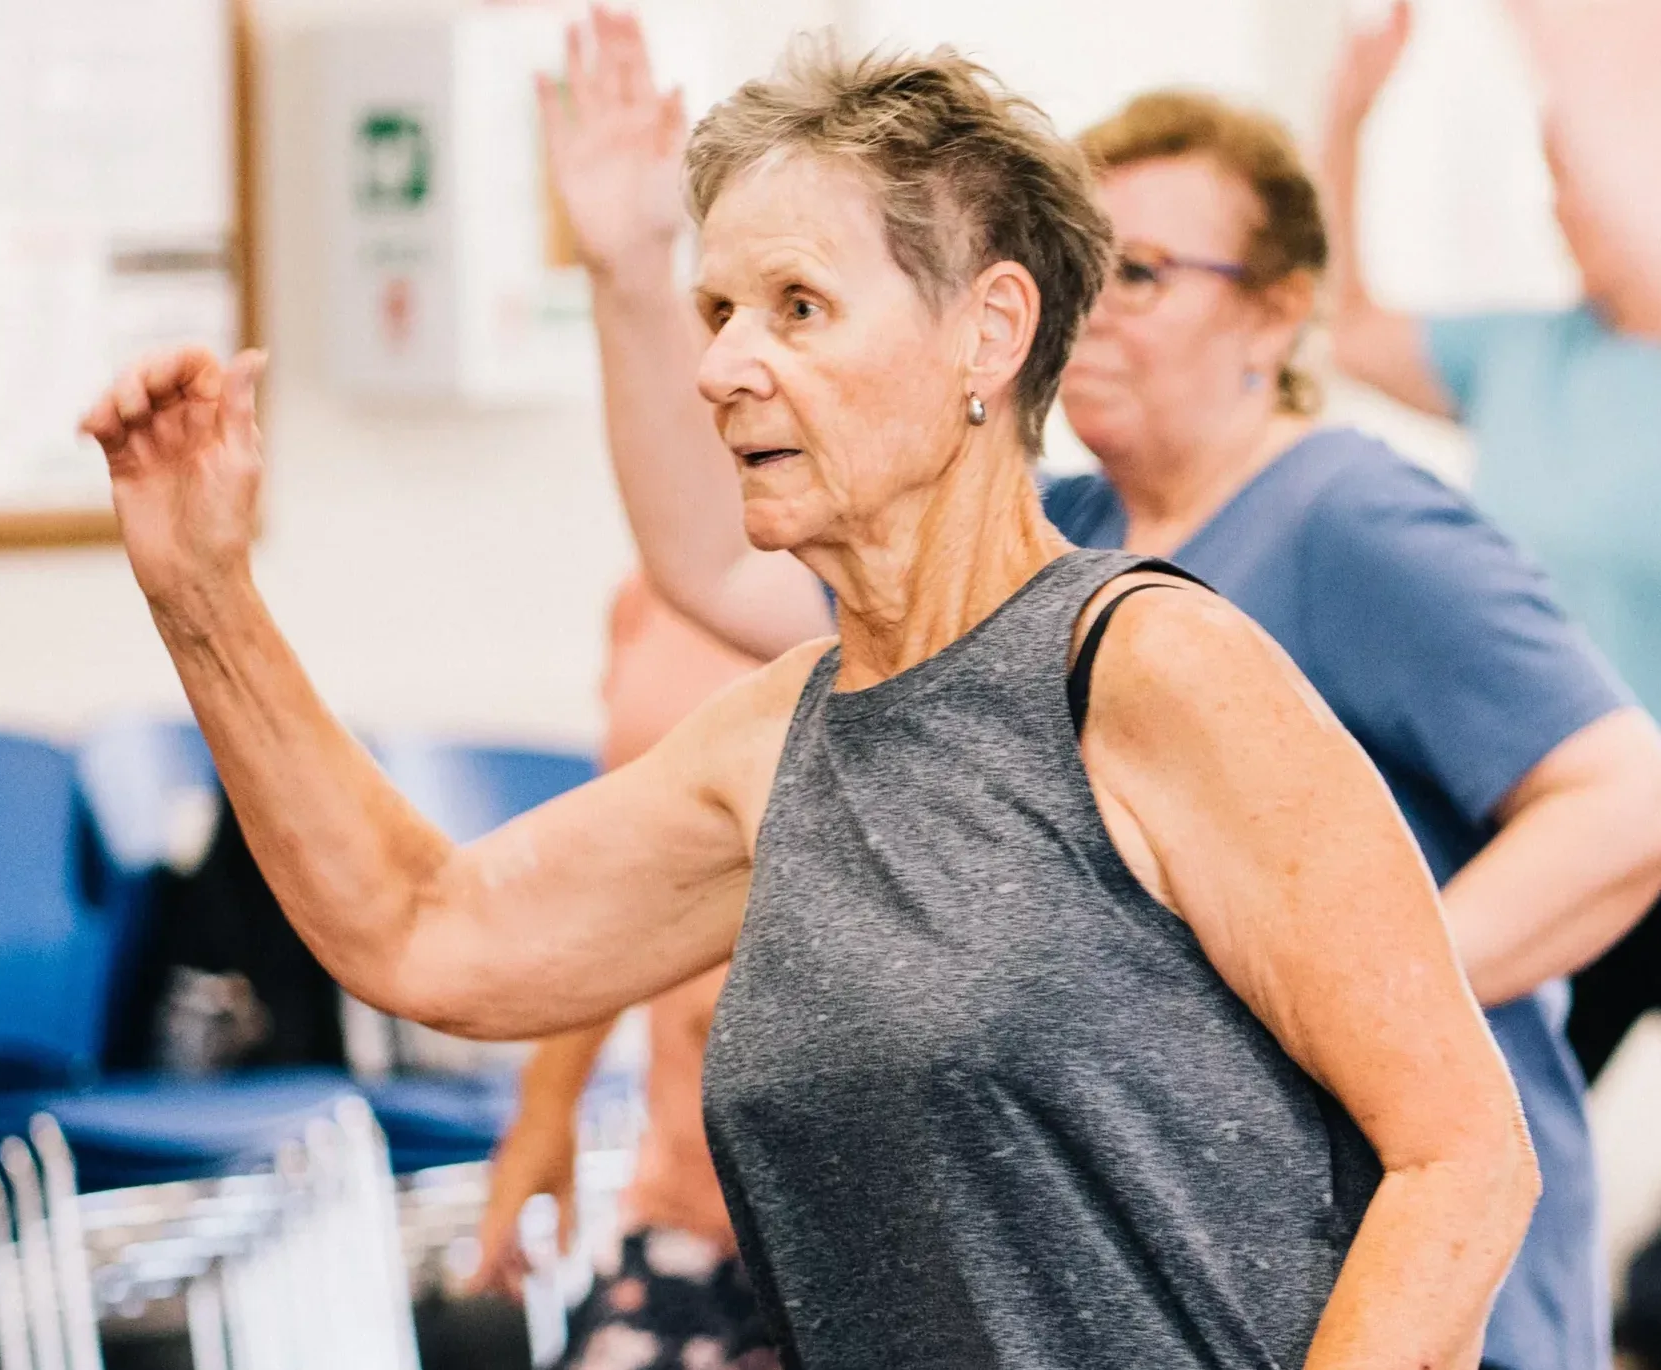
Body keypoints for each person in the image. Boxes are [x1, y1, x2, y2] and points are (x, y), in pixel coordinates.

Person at [83, 38, 1539, 1370]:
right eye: (717, 309)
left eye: (796, 306)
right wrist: (203, 594)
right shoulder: (780, 736)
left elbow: (1463, 1157)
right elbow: (427, 930)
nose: (723, 366)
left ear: (989, 333)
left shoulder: (1149, 668)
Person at [535, 17, 1661, 1370]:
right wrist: (621, 270)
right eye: (1092, 262)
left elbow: (1629, 804)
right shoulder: (1064, 534)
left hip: (1411, 1276)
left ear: (1276, 308)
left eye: (1151, 271)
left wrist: (1317, 1002)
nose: (1102, 304)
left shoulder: (1349, 519)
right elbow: (711, 559)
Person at [1322, 0, 1661, 1085]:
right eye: (1555, 175)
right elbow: (1349, 324)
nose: (1566, 205)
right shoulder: (1523, 353)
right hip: (1564, 827)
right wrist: (1350, 116)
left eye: (1588, 174)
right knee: (1498, 1108)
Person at [470, 574, 771, 1370]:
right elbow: (624, 882)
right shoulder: (658, 591)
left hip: (874, 1222)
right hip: (691, 1189)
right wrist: (547, 1104)